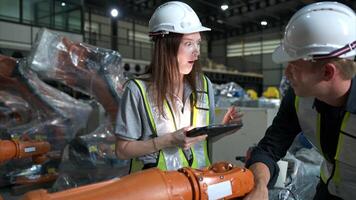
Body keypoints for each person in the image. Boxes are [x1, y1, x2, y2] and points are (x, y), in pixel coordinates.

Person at [244, 2, 356, 200]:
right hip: (328, 192)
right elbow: (269, 148)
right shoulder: (299, 98)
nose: (286, 73)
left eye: (294, 66)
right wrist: (259, 185)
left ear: (327, 72)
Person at [115, 1, 242, 172]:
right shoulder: (138, 90)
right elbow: (122, 150)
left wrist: (223, 128)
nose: (196, 51)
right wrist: (168, 140)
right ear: (165, 46)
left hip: (198, 185)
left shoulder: (204, 85)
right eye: (188, 43)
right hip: (156, 189)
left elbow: (199, 140)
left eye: (198, 43)